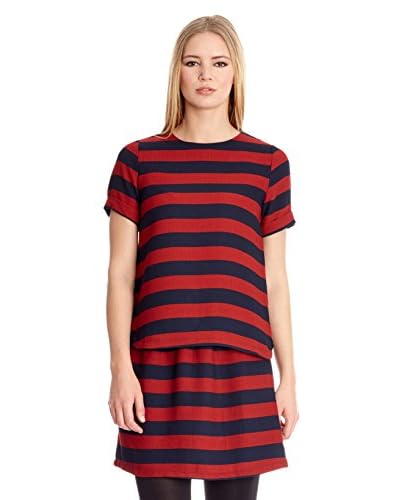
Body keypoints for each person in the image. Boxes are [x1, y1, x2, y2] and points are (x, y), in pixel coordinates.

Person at [103, 14, 299, 500]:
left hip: (241, 366)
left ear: (235, 73)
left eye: (218, 63)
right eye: (193, 63)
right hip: (155, 367)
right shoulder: (137, 160)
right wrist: (120, 369)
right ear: (177, 72)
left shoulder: (268, 163)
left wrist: (289, 378)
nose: (205, 75)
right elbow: (120, 274)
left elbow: (274, 279)